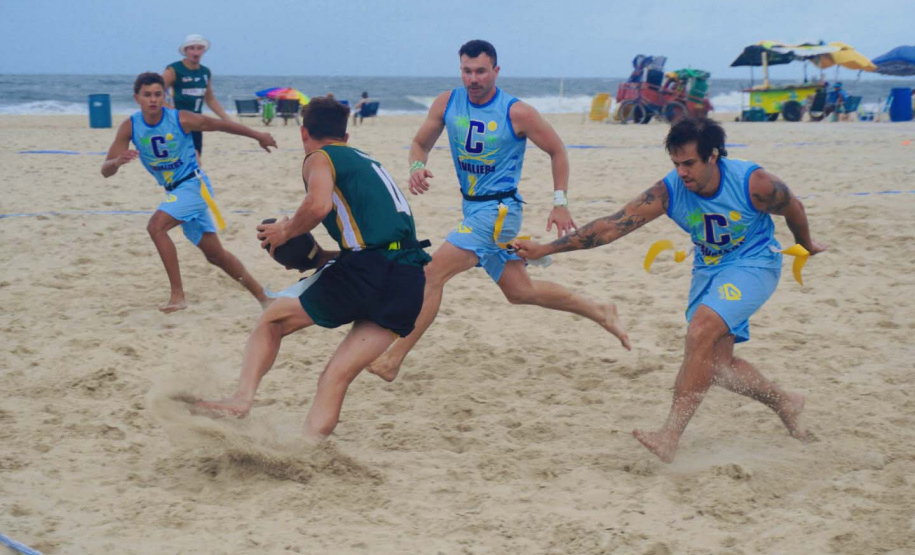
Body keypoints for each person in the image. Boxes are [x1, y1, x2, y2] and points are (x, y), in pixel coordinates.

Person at [514, 117, 827, 463]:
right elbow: (611, 228)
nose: (682, 173)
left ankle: (670, 435)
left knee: (700, 330)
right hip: (708, 268)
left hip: (754, 264)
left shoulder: (755, 183)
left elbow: (793, 207)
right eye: (676, 164)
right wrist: (546, 249)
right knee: (716, 367)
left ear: (713, 157)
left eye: (689, 163)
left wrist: (806, 245)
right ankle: (785, 402)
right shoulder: (669, 191)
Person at [366, 39, 631, 382]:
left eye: (480, 71)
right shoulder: (447, 102)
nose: (473, 79)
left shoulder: (516, 112)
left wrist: (560, 202)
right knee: (521, 292)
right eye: (467, 71)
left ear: (495, 71)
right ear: (460, 69)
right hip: (473, 209)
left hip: (500, 212)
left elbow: (558, 151)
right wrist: (417, 165)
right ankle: (600, 310)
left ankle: (393, 360)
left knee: (432, 273)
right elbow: (420, 143)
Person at [193, 97, 431, 440]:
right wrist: (319, 256)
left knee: (272, 319)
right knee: (336, 377)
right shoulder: (367, 161)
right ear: (346, 136)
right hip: (409, 281)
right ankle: (307, 448)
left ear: (303, 132)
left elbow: (317, 206)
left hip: (370, 270)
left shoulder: (319, 157)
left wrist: (286, 231)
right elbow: (378, 241)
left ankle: (241, 399)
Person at [101, 72, 276, 313]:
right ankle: (264, 297)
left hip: (194, 185)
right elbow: (105, 171)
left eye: (157, 94)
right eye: (147, 95)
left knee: (156, 227)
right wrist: (117, 162)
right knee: (215, 255)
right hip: (175, 192)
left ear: (165, 96)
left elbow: (220, 125)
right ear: (136, 98)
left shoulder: (180, 119)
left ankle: (178, 296)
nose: (153, 100)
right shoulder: (130, 126)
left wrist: (258, 135)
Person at [163, 34, 232, 164]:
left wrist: (226, 118)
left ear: (203, 51)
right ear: (185, 51)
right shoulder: (173, 70)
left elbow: (210, 99)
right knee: (184, 160)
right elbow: (157, 94)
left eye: (199, 48)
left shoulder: (205, 72)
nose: (195, 52)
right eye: (192, 48)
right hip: (177, 123)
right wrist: (174, 113)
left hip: (196, 124)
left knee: (196, 159)